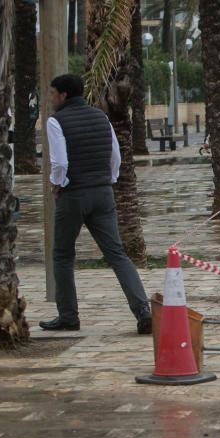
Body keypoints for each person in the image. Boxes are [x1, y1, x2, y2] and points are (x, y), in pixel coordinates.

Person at [41, 74, 151, 334]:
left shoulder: (56, 121)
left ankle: (68, 316)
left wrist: (57, 185)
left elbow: (59, 163)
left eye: (53, 93)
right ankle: (142, 310)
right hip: (103, 193)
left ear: (63, 95)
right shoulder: (101, 117)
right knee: (117, 254)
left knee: (63, 255)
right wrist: (107, 181)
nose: (51, 98)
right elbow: (116, 156)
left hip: (73, 194)